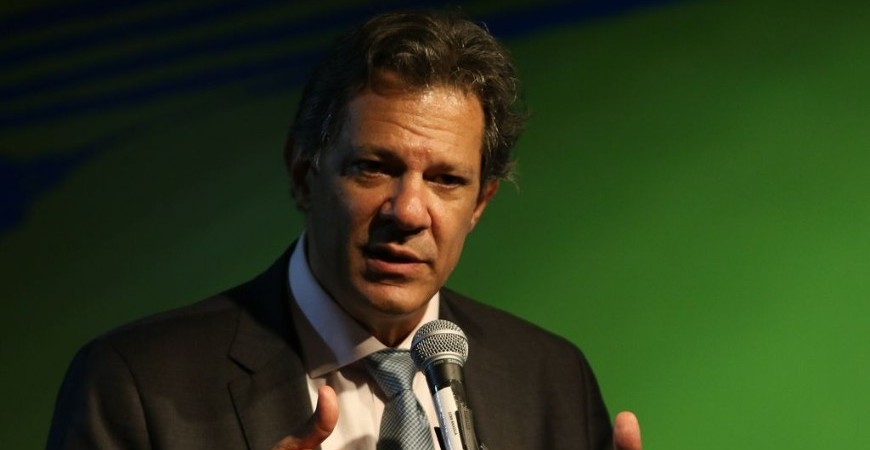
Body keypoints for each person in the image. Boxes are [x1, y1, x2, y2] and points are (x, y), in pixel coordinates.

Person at [47, 10, 643, 450]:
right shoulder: (134, 384)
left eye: (446, 180)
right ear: (304, 173)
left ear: (480, 203)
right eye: (374, 168)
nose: (408, 212)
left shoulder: (550, 380)